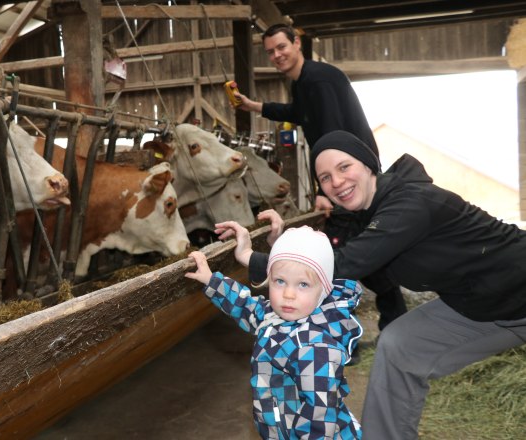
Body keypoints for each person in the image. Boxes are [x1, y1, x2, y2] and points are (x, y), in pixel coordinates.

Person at [242, 130, 526, 439]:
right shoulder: (368, 212)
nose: (336, 181)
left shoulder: (410, 202)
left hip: (517, 287)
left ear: (368, 165)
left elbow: (347, 263)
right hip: (480, 304)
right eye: (325, 178)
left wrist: (251, 258)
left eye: (344, 167)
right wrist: (282, 246)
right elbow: (325, 256)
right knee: (400, 345)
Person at [233, 23, 407, 334]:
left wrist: (326, 189)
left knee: (341, 253)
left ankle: (343, 331)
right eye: (270, 52)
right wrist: (254, 106)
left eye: (281, 47)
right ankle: (390, 322)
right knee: (360, 249)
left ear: (296, 43)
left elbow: (332, 134)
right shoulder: (304, 82)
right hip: (350, 174)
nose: (277, 55)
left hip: (350, 177)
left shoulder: (318, 80)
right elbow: (297, 112)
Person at [185, 226, 363, 439]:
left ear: (323, 291)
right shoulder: (273, 315)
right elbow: (245, 305)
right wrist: (211, 280)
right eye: (280, 281)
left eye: (303, 284)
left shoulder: (315, 349)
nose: (288, 294)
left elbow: (320, 416)